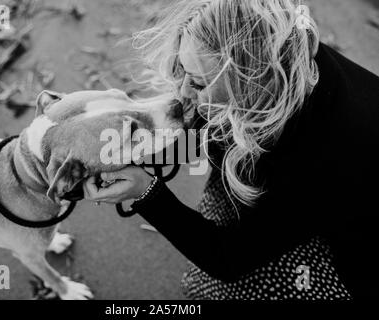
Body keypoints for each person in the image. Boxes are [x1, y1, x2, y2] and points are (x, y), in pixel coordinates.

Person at [83, 0, 379, 299]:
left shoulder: (321, 159)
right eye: (183, 71)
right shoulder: (285, 51)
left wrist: (147, 192)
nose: (183, 92)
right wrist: (148, 154)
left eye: (198, 82)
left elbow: (228, 258)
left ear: (252, 81)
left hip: (350, 258)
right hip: (294, 202)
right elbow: (210, 134)